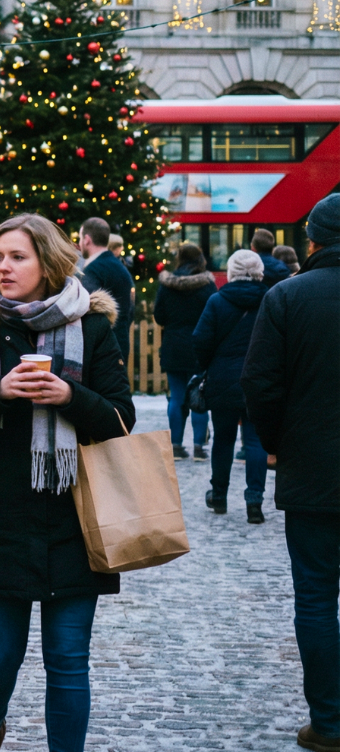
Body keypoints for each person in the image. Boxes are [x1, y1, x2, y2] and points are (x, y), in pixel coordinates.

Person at [0, 214, 135, 752]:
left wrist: (70, 397)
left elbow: (120, 419)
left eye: (17, 257)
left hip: (75, 516)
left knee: (67, 659)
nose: (4, 267)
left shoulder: (91, 324)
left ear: (48, 262)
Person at [242, 193, 340, 752]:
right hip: (312, 467)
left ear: (314, 239)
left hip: (313, 472)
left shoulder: (287, 296)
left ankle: (329, 722)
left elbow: (260, 383)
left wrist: (280, 444)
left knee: (316, 599)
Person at [194, 250, 269, 519]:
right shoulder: (270, 300)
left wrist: (209, 366)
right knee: (255, 441)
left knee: (223, 439)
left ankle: (219, 496)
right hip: (259, 379)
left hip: (223, 378)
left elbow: (200, 339)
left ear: (232, 270)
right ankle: (254, 502)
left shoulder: (217, 300)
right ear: (259, 271)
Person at [153, 243, 217, 460]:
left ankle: (176, 445)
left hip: (173, 346)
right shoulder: (207, 286)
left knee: (177, 396)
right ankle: (199, 446)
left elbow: (159, 316)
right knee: (199, 394)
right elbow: (214, 316)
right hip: (199, 347)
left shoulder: (167, 285)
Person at [78, 217, 135, 361]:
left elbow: (87, 310)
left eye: (80, 238)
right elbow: (131, 306)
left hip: (102, 349)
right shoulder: (119, 266)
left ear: (87, 240)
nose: (79, 243)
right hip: (120, 341)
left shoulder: (93, 270)